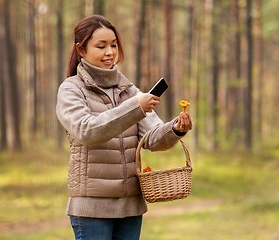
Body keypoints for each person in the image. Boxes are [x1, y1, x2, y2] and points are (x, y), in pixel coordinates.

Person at [56, 15, 193, 240]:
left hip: (131, 207)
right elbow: (86, 131)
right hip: (92, 209)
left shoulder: (129, 90)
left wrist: (176, 129)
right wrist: (135, 107)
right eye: (101, 46)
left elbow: (152, 139)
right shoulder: (71, 89)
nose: (109, 52)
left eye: (113, 45)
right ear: (81, 50)